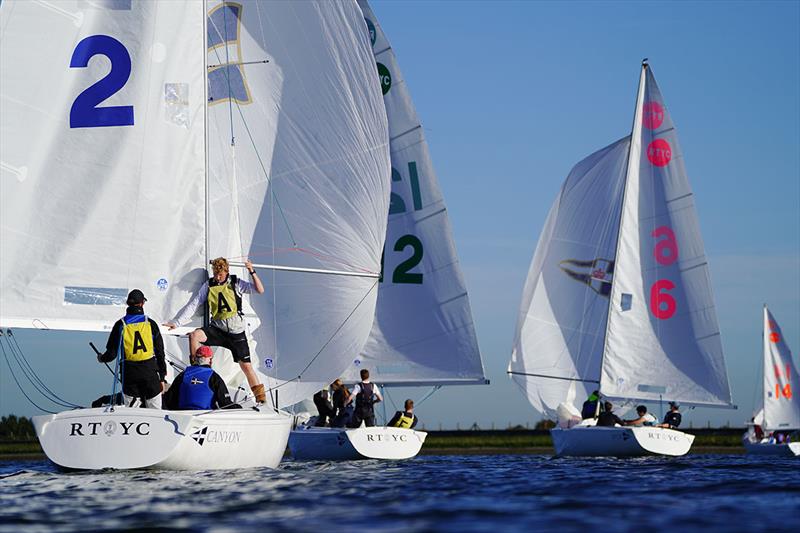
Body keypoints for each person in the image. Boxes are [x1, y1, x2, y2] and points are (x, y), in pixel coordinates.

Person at [165, 257, 267, 404]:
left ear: (226, 272)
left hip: (236, 333)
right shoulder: (209, 285)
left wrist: (252, 271)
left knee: (246, 366)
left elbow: (260, 290)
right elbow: (194, 304)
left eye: (220, 274)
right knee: (194, 335)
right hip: (217, 329)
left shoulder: (236, 283)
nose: (217, 277)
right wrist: (177, 322)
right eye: (215, 273)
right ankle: (196, 369)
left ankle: (261, 398)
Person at [98, 289, 167, 408]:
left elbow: (112, 354)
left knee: (132, 412)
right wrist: (162, 376)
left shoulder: (120, 325)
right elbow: (160, 352)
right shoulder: (150, 324)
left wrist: (101, 358)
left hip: (130, 374)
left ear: (128, 304)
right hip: (150, 371)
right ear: (142, 304)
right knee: (156, 412)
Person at [163, 346, 239, 410]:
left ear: (195, 358)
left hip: (183, 415)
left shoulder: (183, 375)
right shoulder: (214, 377)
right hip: (204, 416)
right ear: (210, 360)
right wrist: (239, 408)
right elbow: (225, 404)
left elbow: (169, 400)